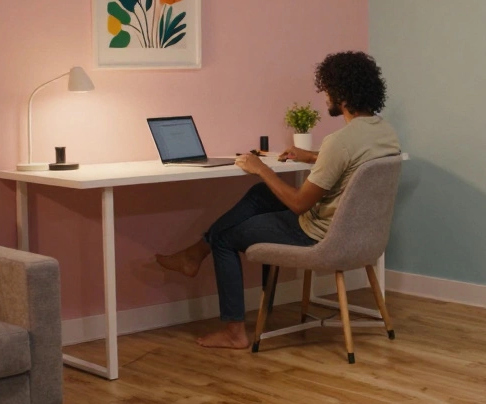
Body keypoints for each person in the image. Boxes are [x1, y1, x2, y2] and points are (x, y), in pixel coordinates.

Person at [157, 51, 401, 349]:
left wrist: (260, 168)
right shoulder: (384, 133)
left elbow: (299, 204)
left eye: (326, 90)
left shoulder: (339, 142)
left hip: (318, 235)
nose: (325, 97)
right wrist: (312, 157)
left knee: (224, 236)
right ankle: (194, 254)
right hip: (359, 236)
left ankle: (233, 331)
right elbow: (352, 163)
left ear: (342, 94)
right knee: (261, 195)